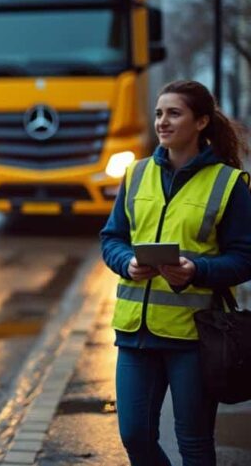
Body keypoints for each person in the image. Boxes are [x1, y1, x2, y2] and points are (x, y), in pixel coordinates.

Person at [101, 80, 251, 465]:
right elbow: (112, 238)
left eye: (173, 113)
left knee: (195, 442)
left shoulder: (228, 183)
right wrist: (126, 262)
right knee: (135, 435)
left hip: (193, 334)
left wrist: (197, 269)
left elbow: (244, 257)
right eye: (158, 113)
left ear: (201, 122)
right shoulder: (135, 174)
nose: (162, 122)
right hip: (135, 333)